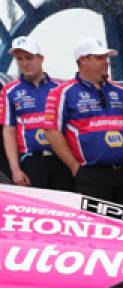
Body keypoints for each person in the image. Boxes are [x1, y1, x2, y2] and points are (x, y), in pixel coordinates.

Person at [45, 38, 123, 208]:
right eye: (99, 58)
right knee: (99, 224)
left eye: (106, 58)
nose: (105, 62)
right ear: (82, 60)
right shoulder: (62, 92)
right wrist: (74, 167)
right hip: (92, 175)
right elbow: (51, 131)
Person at [1, 36, 74, 191]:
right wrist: (15, 170)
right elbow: (9, 131)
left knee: (65, 204)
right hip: (31, 161)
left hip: (63, 159)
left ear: (41, 58)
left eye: (29, 58)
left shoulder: (61, 88)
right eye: (19, 59)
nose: (25, 63)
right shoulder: (9, 90)